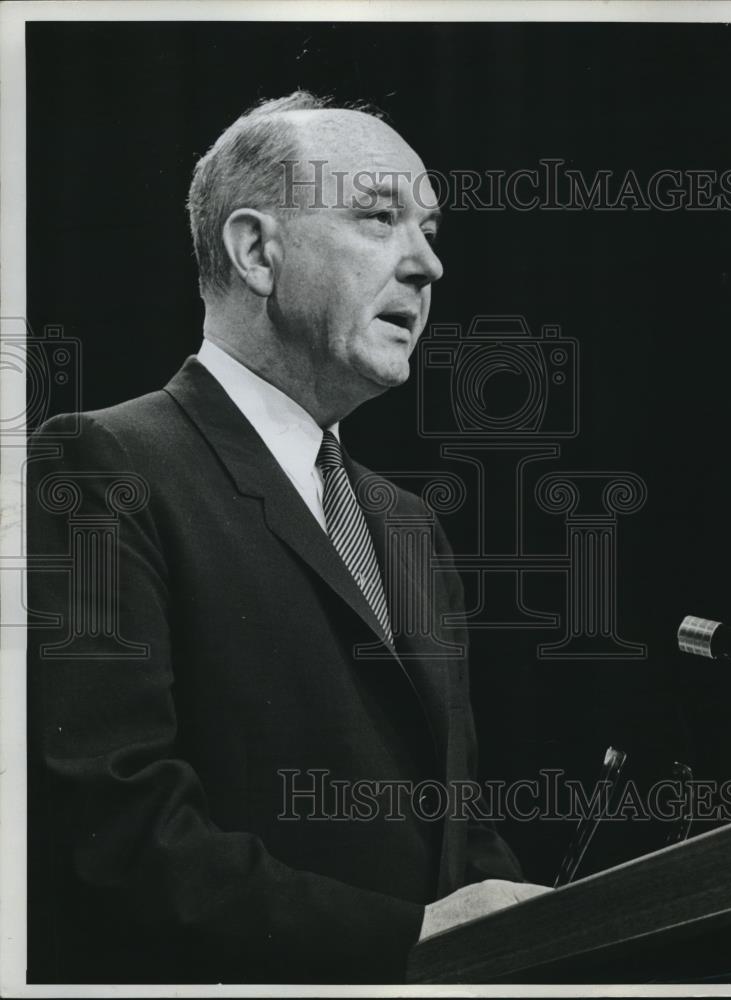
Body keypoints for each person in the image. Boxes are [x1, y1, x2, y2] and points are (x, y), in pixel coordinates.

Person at [26, 91, 548, 986]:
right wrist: (406, 940)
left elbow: (450, 826)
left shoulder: (407, 523)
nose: (428, 265)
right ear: (256, 251)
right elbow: (110, 826)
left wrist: (539, 921)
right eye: (380, 217)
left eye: (428, 227)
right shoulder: (105, 462)